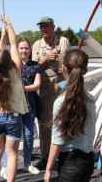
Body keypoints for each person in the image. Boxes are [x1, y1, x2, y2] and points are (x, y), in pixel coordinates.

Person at [44, 49, 96, 182]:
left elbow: (57, 141)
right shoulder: (90, 99)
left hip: (69, 163)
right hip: (88, 160)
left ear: (63, 68)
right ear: (85, 71)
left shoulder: (61, 102)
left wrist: (48, 170)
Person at [0, 15, 29, 182]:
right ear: (10, 62)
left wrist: (1, 38)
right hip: (13, 117)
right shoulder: (16, 70)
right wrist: (9, 23)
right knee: (11, 156)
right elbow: (14, 45)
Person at [32, 16, 71, 168]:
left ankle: (63, 154)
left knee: (64, 121)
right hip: (46, 89)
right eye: (41, 26)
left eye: (46, 26)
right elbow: (34, 68)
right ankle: (45, 156)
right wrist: (46, 58)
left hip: (62, 86)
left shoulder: (63, 41)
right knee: (45, 123)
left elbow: (70, 61)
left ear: (53, 27)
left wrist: (65, 68)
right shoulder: (37, 45)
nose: (43, 29)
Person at [0, 37, 41, 178]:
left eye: (26, 48)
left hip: (29, 106)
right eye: (21, 48)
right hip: (14, 107)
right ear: (17, 50)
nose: (23, 51)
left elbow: (37, 85)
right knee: (11, 138)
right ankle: (5, 167)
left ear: (30, 50)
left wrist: (22, 88)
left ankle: (27, 163)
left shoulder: (35, 65)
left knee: (29, 137)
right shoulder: (12, 65)